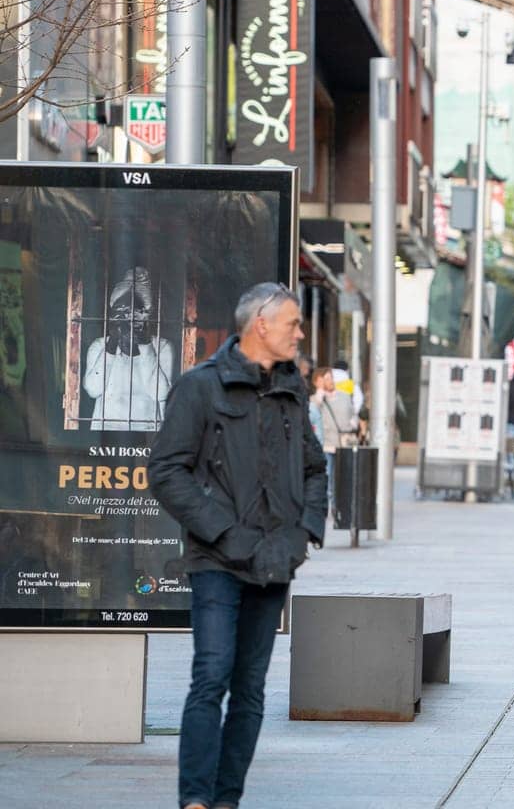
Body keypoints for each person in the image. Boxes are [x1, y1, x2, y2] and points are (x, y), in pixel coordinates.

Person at [150, 283, 327, 809]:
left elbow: (316, 468)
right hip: (215, 558)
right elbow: (165, 470)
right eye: (293, 324)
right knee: (211, 675)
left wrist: (305, 530)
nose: (300, 334)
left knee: (250, 690)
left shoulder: (293, 389)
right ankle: (196, 801)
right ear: (261, 326)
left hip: (274, 560)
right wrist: (221, 529)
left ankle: (227, 800)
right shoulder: (200, 387)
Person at [84, 266, 175, 430]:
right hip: (108, 431)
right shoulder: (99, 346)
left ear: (146, 314)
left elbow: (161, 393)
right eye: (122, 310)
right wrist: (112, 342)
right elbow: (92, 389)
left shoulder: (162, 347)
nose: (128, 316)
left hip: (147, 432)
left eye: (135, 311)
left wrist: (145, 342)